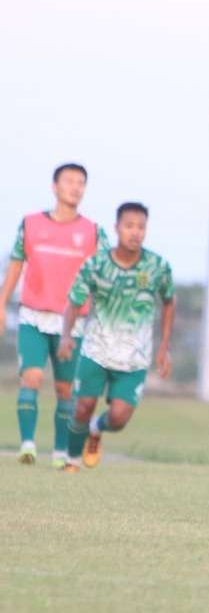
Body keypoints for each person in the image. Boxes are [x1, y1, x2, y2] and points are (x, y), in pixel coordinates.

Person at [1, 163, 110, 467]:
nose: (76, 187)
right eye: (69, 181)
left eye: (81, 183)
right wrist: (1, 303)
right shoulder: (31, 224)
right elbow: (16, 265)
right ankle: (27, 445)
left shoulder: (92, 231)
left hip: (70, 323)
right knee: (31, 377)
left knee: (65, 389)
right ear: (55, 186)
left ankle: (61, 452)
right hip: (32, 316)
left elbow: (104, 276)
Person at [59, 203, 173, 472]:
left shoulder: (157, 266)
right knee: (82, 407)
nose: (135, 232)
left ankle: (96, 430)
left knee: (120, 419)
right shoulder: (96, 264)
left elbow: (169, 302)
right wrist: (66, 335)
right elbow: (74, 302)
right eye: (129, 226)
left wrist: (165, 346)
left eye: (141, 227)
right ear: (117, 228)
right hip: (96, 351)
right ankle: (71, 460)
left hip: (134, 358)